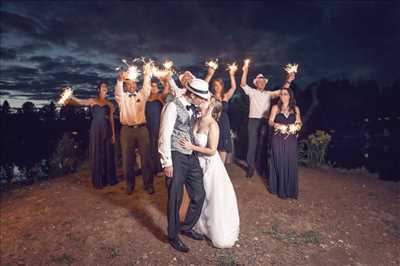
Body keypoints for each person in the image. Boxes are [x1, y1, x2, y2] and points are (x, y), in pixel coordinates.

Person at [180, 97, 240, 248]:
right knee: (196, 194)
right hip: (195, 163)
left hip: (209, 165)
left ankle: (212, 228)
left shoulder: (213, 125)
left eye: (204, 101)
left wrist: (191, 147)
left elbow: (212, 151)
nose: (200, 102)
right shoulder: (196, 120)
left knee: (210, 195)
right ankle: (194, 223)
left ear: (211, 107)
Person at [158, 78, 209, 253]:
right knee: (175, 198)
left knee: (199, 194)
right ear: (192, 95)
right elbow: (164, 135)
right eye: (201, 98)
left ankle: (187, 226)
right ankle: (173, 236)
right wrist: (167, 162)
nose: (203, 101)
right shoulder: (172, 106)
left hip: (191, 155)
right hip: (176, 155)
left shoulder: (193, 107)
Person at [240, 63, 294, 178]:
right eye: (259, 81)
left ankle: (261, 167)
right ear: (256, 83)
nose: (262, 83)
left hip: (265, 121)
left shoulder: (269, 94)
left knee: (263, 144)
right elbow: (243, 84)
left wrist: (288, 80)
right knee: (252, 144)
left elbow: (283, 91)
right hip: (253, 121)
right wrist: (245, 70)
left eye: (263, 81)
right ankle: (250, 167)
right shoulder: (252, 92)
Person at [114, 64, 155, 195]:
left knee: (146, 158)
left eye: (133, 84)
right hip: (126, 131)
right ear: (126, 86)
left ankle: (148, 184)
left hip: (142, 130)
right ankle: (129, 185)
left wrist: (147, 74)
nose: (131, 86)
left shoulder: (142, 95)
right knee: (127, 159)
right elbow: (117, 90)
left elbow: (147, 87)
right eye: (129, 84)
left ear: (136, 85)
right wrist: (120, 80)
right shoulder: (122, 98)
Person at [68, 81, 117, 189]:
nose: (105, 88)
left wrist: (113, 134)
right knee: (97, 153)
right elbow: (80, 102)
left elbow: (112, 120)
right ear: (98, 89)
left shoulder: (110, 104)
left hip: (107, 129)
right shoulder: (92, 100)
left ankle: (109, 179)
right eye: (103, 87)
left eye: (106, 87)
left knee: (107, 153)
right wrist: (71, 96)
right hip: (95, 129)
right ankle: (98, 181)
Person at [268, 87, 302, 199]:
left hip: (291, 139)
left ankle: (290, 190)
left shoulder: (295, 109)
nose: (283, 96)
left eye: (285, 94)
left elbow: (299, 123)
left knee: (290, 162)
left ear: (290, 96)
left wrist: (295, 127)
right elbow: (270, 121)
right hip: (277, 138)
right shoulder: (275, 108)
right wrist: (276, 125)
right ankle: (280, 189)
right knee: (279, 161)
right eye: (281, 94)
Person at [211, 67, 238, 163]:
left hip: (224, 123)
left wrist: (231, 75)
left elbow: (234, 87)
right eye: (215, 85)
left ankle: (222, 169)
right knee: (214, 144)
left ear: (222, 86)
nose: (217, 87)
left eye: (219, 85)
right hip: (214, 122)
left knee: (223, 146)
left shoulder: (225, 96)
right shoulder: (211, 97)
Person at [145, 79, 171, 175]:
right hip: (148, 124)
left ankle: (161, 168)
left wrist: (166, 80)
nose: (154, 88)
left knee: (159, 145)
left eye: (156, 86)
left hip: (158, 124)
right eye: (152, 86)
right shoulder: (146, 98)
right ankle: (153, 168)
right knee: (150, 146)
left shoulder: (160, 96)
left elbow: (166, 105)